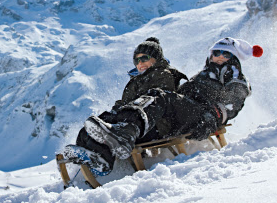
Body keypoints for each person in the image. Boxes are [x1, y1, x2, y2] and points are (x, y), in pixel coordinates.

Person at [67, 37, 262, 176]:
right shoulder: (202, 76)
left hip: (201, 117)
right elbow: (183, 95)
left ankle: (125, 135)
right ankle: (97, 156)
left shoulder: (237, 81)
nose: (219, 57)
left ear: (234, 58)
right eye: (216, 53)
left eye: (225, 54)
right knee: (109, 116)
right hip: (186, 113)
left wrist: (212, 119)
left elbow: (232, 105)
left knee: (157, 96)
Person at [64, 37, 187, 174]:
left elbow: (154, 102)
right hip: (134, 122)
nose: (140, 63)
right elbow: (126, 103)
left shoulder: (163, 74)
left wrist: (126, 112)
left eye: (144, 58)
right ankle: (89, 152)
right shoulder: (136, 80)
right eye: (137, 60)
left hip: (153, 125)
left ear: (156, 58)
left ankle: (105, 154)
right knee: (100, 121)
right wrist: (114, 114)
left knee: (120, 120)